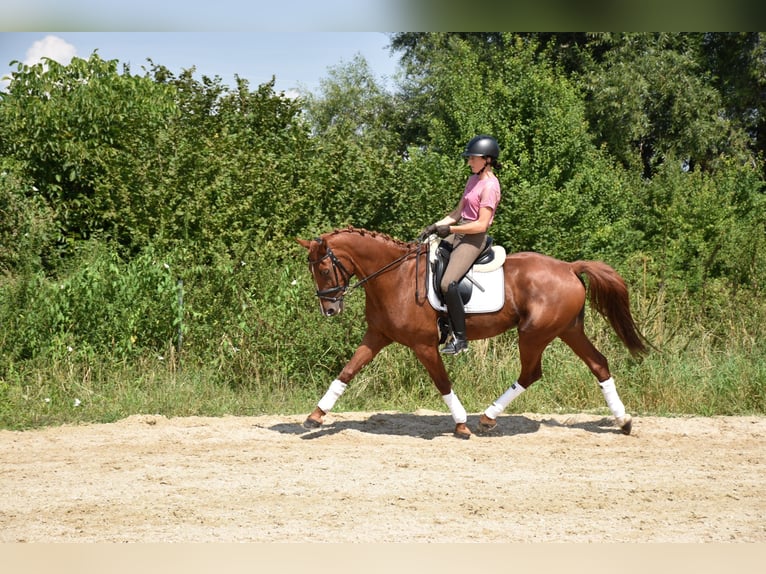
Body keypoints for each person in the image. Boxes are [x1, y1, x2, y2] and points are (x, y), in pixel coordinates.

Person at [421, 134, 502, 355]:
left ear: (486, 159)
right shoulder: (473, 180)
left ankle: (460, 339)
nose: (469, 162)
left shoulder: (491, 187)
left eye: (472, 158)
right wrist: (435, 226)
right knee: (427, 259)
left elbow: (481, 225)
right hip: (458, 233)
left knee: (448, 282)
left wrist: (452, 230)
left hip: (474, 239)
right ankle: (442, 320)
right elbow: (458, 213)